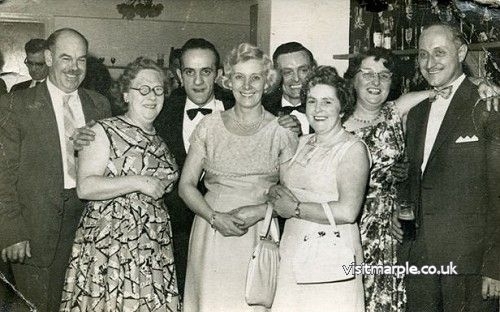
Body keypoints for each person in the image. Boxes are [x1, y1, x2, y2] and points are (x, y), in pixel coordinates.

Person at [178, 42, 298, 312]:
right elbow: (185, 186)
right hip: (211, 232)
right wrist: (214, 217)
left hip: (259, 232)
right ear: (228, 81)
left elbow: (292, 197)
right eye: (239, 77)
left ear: (266, 82)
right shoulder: (208, 126)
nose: (247, 86)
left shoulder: (282, 131)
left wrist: (259, 212)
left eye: (255, 77)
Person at [0, 28, 111, 311]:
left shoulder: (99, 105)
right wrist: (12, 231)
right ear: (49, 58)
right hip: (34, 231)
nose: (75, 68)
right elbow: (2, 175)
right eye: (66, 58)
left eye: (81, 60)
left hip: (88, 228)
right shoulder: (16, 104)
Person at [393, 23, 500, 312]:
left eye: (440, 53)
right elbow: (413, 173)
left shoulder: (487, 103)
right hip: (420, 258)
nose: (430, 63)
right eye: (423, 54)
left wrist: (495, 265)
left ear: (462, 52)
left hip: (470, 263)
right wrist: (400, 207)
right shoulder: (417, 109)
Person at [60, 57, 180, 311]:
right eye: (143, 89)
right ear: (126, 94)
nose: (151, 96)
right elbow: (86, 187)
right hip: (112, 244)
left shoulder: (160, 139)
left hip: (152, 245)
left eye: (158, 90)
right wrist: (138, 181)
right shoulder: (104, 130)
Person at [268, 66, 370, 312]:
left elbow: (348, 211)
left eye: (327, 101)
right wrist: (274, 193)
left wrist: (294, 209)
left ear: (341, 107)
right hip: (293, 250)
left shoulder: (352, 148)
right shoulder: (301, 143)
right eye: (312, 101)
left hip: (331, 255)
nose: (318, 109)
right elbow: (282, 185)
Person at [263, 42, 318, 135]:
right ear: (275, 75)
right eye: (287, 72)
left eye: (303, 70)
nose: (296, 79)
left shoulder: (328, 108)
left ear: (313, 70)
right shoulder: (263, 110)